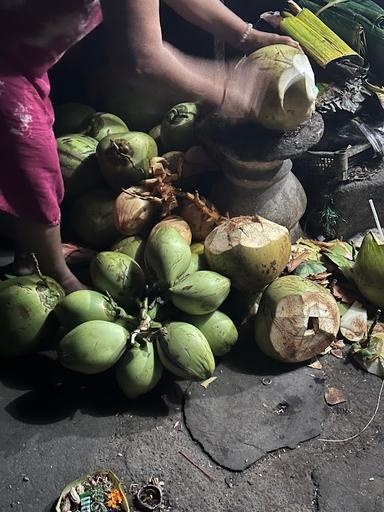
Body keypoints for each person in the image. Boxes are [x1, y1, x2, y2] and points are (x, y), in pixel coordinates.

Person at [0, 0, 297, 294]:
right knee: (32, 165)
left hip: (23, 51)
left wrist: (245, 36)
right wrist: (226, 90)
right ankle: (52, 272)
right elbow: (142, 59)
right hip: (6, 62)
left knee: (19, 161)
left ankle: (31, 246)